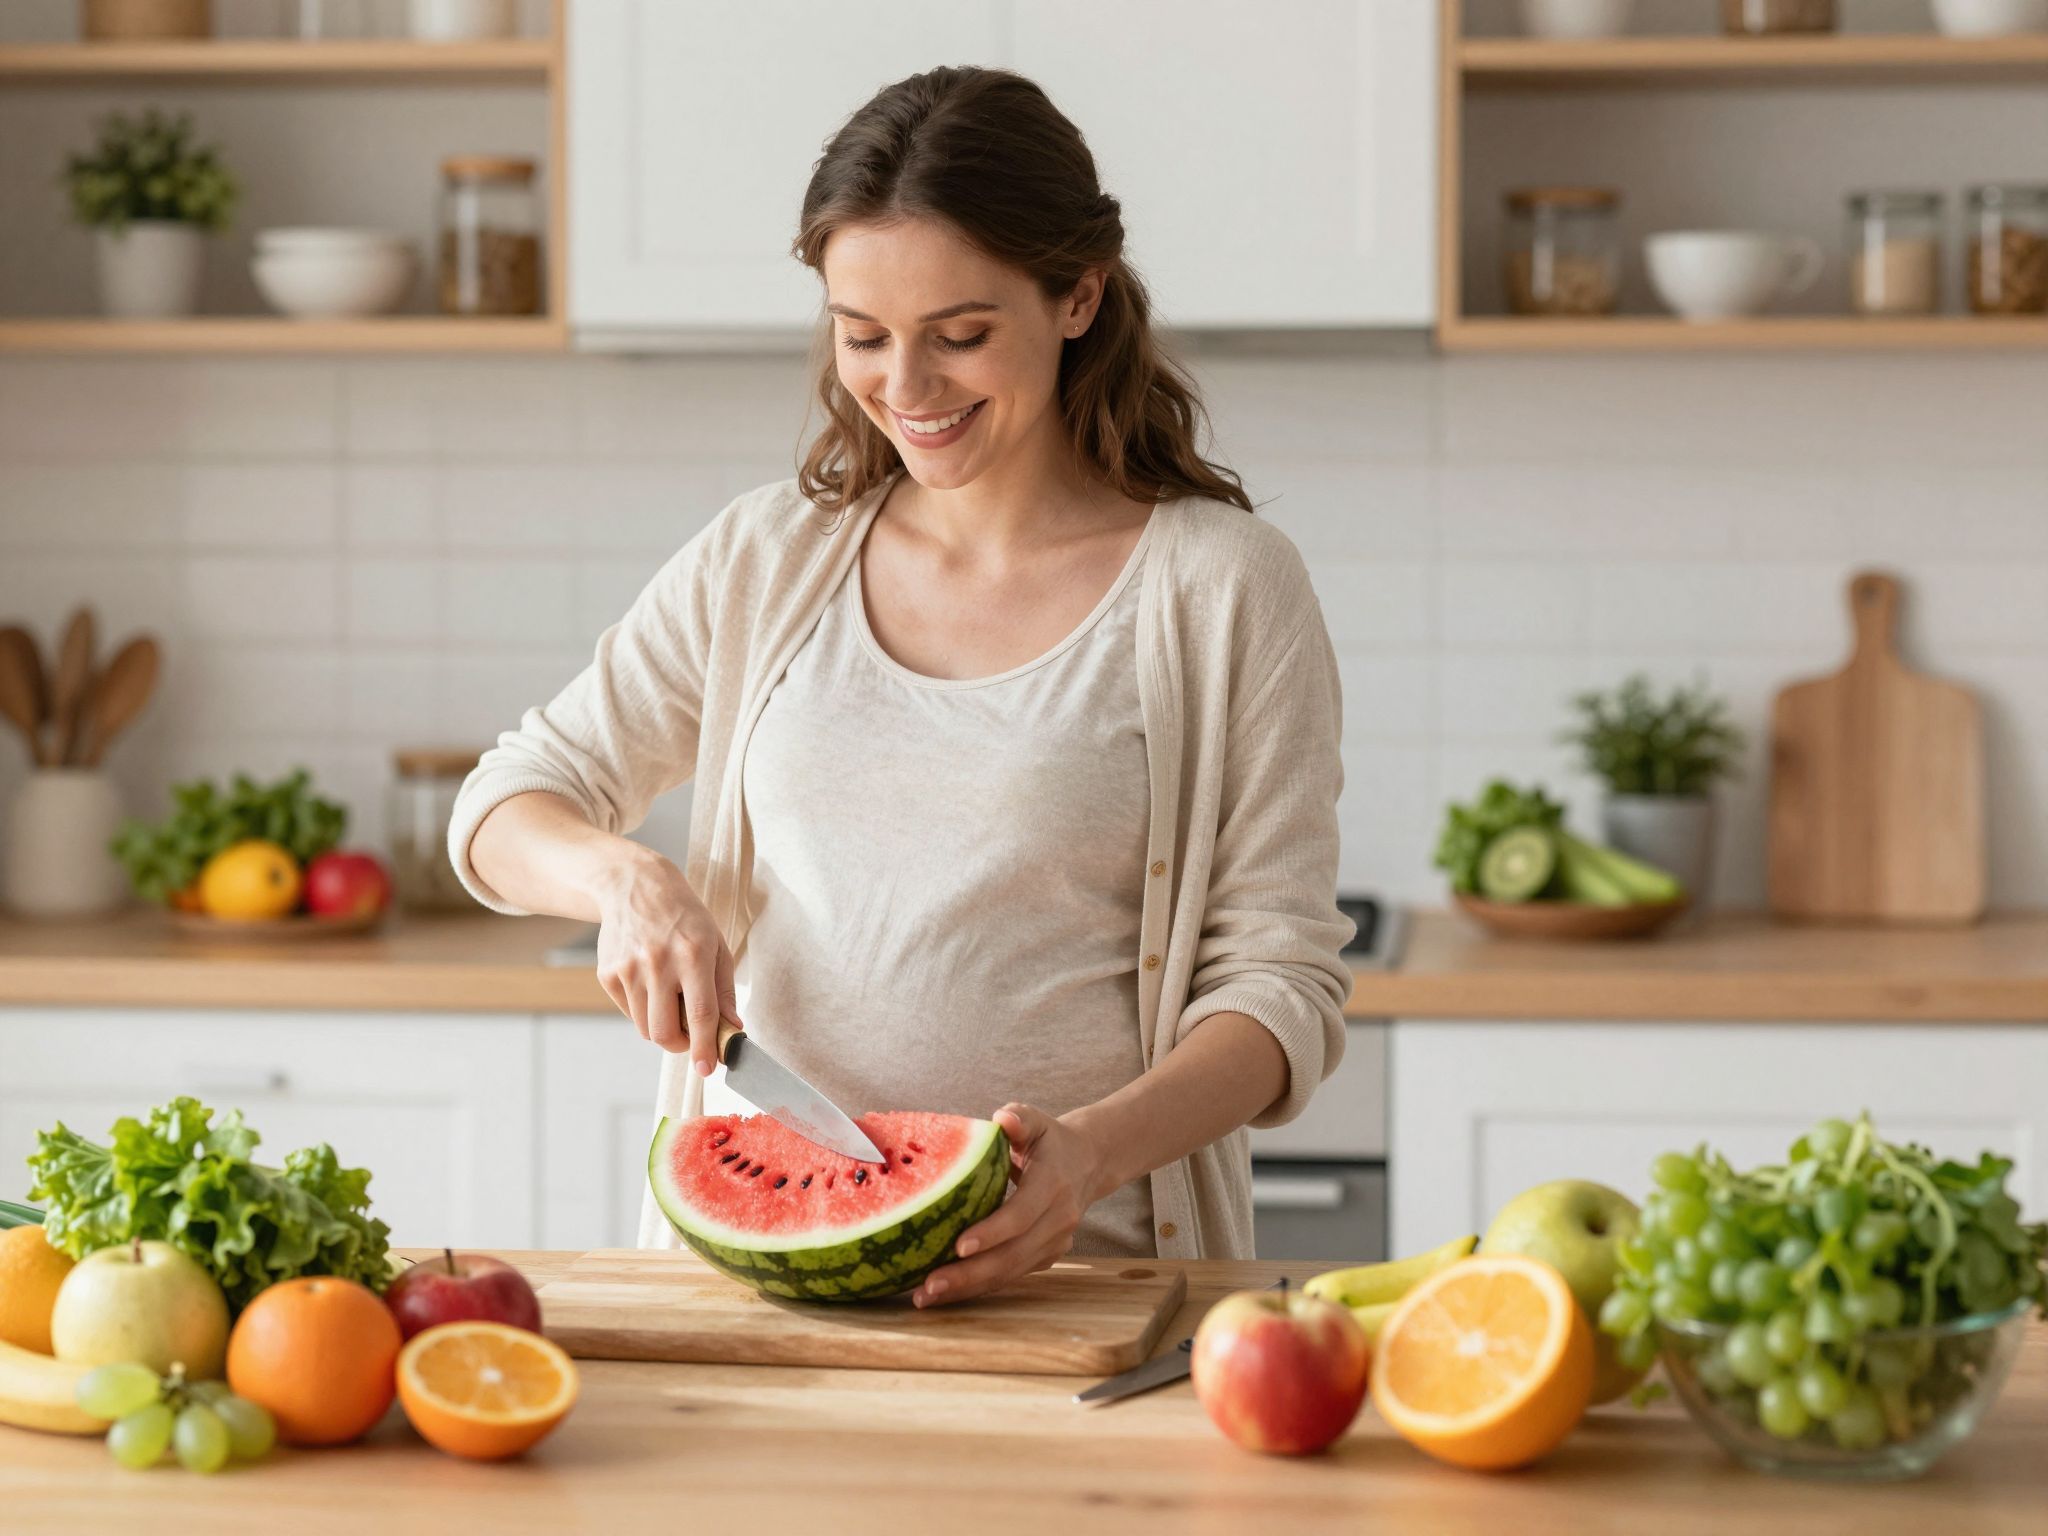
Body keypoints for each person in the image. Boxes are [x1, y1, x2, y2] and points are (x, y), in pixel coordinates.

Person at [452, 65, 1351, 1306]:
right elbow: (509, 800)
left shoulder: (1221, 587)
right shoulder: (765, 559)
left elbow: (1279, 985)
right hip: (755, 1279)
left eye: (960, 335)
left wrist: (1087, 1157)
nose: (906, 391)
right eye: (861, 336)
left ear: (1078, 294)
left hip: (1081, 1285)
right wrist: (625, 880)